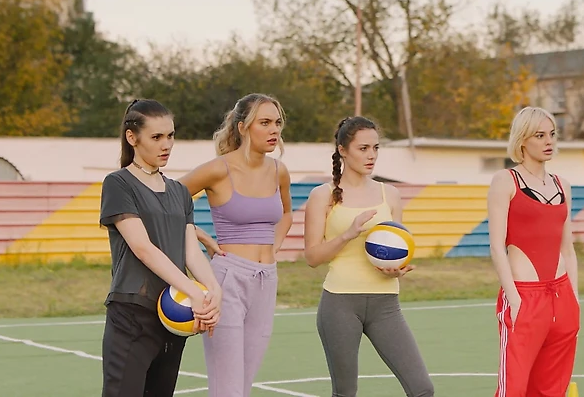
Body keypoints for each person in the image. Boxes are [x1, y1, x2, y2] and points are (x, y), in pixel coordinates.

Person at [302, 116, 434, 397]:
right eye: (363, 148)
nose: (371, 155)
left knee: (422, 389)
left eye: (375, 148)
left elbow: (398, 243)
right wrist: (347, 234)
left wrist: (398, 268)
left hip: (385, 304)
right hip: (340, 304)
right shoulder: (322, 195)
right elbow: (312, 257)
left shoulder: (391, 194)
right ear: (342, 150)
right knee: (345, 393)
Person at [99, 99, 222, 397]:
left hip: (172, 316)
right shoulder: (118, 183)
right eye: (156, 137)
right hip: (133, 313)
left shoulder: (179, 191)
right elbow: (143, 248)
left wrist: (213, 291)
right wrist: (193, 292)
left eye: (170, 135)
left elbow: (190, 250)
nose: (166, 144)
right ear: (132, 137)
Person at [178, 93, 293, 397]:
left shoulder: (279, 171)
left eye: (277, 123)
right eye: (264, 122)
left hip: (266, 280)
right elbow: (165, 200)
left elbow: (286, 213)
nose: (274, 130)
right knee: (227, 388)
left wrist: (272, 248)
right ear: (242, 127)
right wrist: (200, 235)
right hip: (227, 280)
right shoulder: (218, 169)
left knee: (243, 385)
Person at [486, 106, 581, 397]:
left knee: (552, 388)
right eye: (539, 135)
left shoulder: (563, 185)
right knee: (513, 389)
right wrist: (513, 298)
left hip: (561, 297)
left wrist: (574, 298)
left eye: (552, 134)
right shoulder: (506, 181)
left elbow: (567, 248)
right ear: (522, 140)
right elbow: (496, 246)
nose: (548, 141)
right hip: (524, 296)